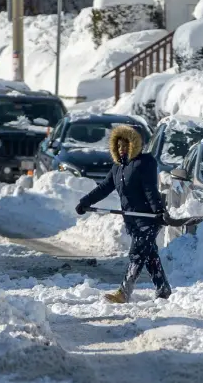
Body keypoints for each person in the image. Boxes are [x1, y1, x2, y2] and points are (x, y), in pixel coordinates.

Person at [75, 125, 171, 304]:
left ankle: (124, 292)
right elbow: (104, 188)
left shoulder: (145, 162)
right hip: (132, 220)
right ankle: (163, 288)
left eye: (126, 145)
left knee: (136, 254)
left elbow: (150, 189)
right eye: (119, 146)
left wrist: (158, 211)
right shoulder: (117, 168)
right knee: (149, 256)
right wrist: (85, 202)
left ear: (135, 144)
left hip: (148, 218)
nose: (122, 149)